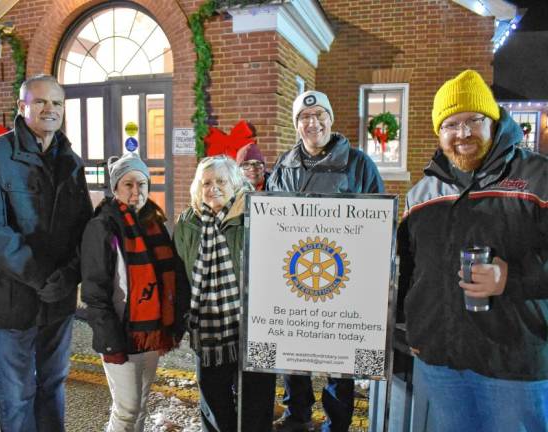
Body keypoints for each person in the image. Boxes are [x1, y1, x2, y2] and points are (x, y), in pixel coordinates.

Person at [397, 69, 548, 431]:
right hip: (441, 362)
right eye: (451, 124)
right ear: (439, 131)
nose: (462, 133)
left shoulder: (537, 178)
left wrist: (512, 277)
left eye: (473, 121)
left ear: (493, 123)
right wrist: (411, 333)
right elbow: (408, 272)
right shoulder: (422, 194)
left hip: (513, 364)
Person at [0, 74, 93, 431]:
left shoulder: (72, 162)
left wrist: (68, 277)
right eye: (40, 102)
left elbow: (84, 229)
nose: (49, 109)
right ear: (22, 107)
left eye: (56, 103)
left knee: (52, 388)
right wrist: (42, 277)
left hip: (58, 302)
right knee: (16, 398)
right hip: (9, 303)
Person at [267, 90, 384, 432]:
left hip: (342, 277)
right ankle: (297, 417)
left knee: (340, 359)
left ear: (331, 120)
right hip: (295, 276)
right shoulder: (284, 166)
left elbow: (378, 224)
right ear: (296, 124)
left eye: (319, 115)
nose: (312, 122)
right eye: (304, 117)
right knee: (292, 354)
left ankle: (337, 422)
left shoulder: (359, 164)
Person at [80, 152, 189, 432]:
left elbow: (171, 278)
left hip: (150, 332)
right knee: (127, 409)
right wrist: (109, 342)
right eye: (128, 184)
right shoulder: (102, 226)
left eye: (142, 184)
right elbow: (94, 292)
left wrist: (175, 322)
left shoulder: (154, 224)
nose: (136, 191)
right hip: (120, 333)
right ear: (115, 187)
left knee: (140, 405)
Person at [174, 156, 276, 432]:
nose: (213, 188)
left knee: (256, 403)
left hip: (256, 327)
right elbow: (179, 276)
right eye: (206, 182)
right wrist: (182, 317)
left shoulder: (259, 216)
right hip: (209, 328)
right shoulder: (188, 222)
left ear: (236, 184)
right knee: (214, 399)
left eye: (221, 181)